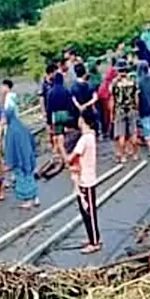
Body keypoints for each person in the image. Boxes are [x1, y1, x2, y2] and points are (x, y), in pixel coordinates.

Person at [2, 79, 39, 209]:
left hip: (19, 160)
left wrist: (9, 162)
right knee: (30, 177)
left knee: (22, 180)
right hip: (28, 157)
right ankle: (34, 198)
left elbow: (11, 147)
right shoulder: (22, 126)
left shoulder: (12, 131)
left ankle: (27, 200)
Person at [67, 114, 101, 255]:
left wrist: (63, 153)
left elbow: (71, 158)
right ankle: (93, 237)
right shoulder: (90, 137)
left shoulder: (84, 139)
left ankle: (94, 242)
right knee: (87, 211)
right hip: (87, 177)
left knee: (89, 212)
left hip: (85, 180)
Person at [111, 61, 139, 163]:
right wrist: (136, 108)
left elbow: (112, 98)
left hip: (120, 109)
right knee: (133, 132)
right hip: (131, 108)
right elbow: (136, 97)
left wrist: (112, 113)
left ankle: (123, 156)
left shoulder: (115, 83)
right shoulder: (132, 81)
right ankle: (135, 154)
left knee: (121, 134)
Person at [47, 72, 73, 162]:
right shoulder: (66, 90)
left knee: (58, 134)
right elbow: (70, 105)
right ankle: (66, 151)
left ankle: (58, 154)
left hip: (56, 115)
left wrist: (49, 121)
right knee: (66, 134)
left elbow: (49, 108)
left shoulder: (50, 92)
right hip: (65, 113)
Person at [71, 64, 99, 139]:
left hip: (79, 112)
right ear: (85, 73)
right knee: (92, 131)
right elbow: (95, 98)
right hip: (89, 111)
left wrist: (79, 106)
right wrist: (87, 105)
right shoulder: (89, 85)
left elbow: (73, 99)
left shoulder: (73, 87)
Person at [40, 64, 57, 153]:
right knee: (49, 127)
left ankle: (56, 145)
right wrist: (43, 111)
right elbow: (42, 98)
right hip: (48, 109)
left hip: (55, 108)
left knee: (55, 127)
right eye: (54, 72)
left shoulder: (55, 82)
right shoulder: (44, 84)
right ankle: (52, 144)